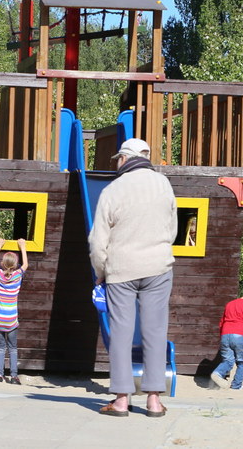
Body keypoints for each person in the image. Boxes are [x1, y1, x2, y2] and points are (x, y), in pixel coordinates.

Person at [89, 138, 177, 418]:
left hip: (121, 269)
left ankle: (121, 400)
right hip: (158, 267)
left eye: (118, 159)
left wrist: (101, 272)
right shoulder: (163, 184)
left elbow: (97, 241)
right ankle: (153, 400)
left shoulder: (113, 189)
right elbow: (172, 226)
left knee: (122, 335)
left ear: (125, 159)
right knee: (154, 332)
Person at [210, 286, 243, 391]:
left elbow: (222, 322)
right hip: (239, 335)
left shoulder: (230, 304)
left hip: (225, 334)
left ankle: (217, 373)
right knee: (242, 362)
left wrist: (223, 336)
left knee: (228, 360)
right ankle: (236, 385)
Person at [0, 238, 28, 384]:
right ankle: (14, 376)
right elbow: (25, 264)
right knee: (12, 348)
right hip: (11, 319)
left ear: (3, 263)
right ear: (15, 265)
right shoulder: (18, 276)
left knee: (0, 347)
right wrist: (23, 246)